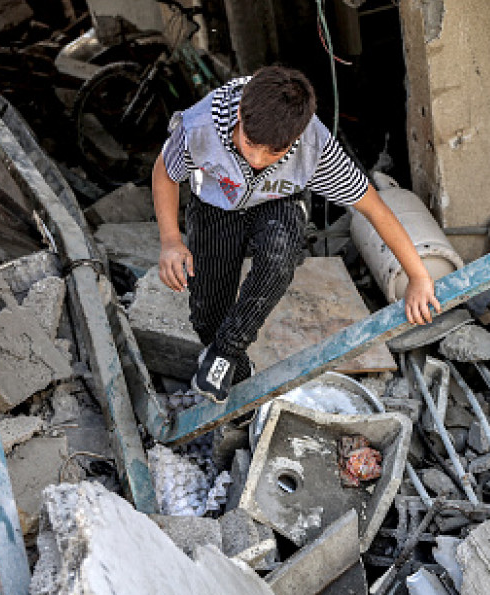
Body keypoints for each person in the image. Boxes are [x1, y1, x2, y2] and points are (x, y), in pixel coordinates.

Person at [151, 65, 440, 403]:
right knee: (208, 315)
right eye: (250, 144)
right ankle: (238, 379)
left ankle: (228, 351)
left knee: (278, 255)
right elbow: (165, 172)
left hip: (279, 201)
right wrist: (171, 241)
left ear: (297, 137)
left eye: (274, 151)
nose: (257, 159)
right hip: (216, 206)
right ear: (240, 117)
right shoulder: (200, 126)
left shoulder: (315, 147)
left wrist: (418, 275)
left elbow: (374, 208)